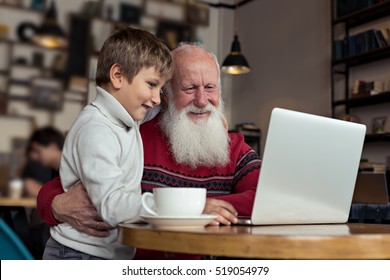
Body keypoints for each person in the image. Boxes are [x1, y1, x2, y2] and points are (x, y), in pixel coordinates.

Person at [37, 43, 261, 259]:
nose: (202, 101)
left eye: (210, 87)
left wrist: (195, 209)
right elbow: (60, 187)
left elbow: (269, 196)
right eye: (190, 88)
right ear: (167, 93)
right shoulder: (133, 134)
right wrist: (56, 205)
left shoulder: (233, 146)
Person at [42, 27, 172, 260]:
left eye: (161, 89)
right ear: (118, 76)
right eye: (152, 85)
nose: (157, 98)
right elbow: (112, 205)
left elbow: (166, 106)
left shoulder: (126, 116)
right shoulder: (97, 129)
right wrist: (172, 207)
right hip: (78, 256)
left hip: (99, 254)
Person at [23, 126, 64, 197]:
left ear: (53, 146)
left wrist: (39, 191)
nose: (33, 156)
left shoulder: (71, 169)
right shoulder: (54, 171)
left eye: (37, 151)